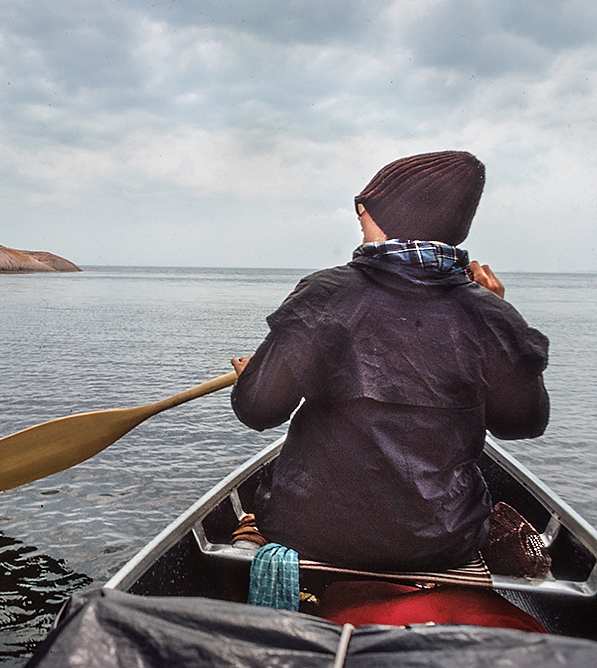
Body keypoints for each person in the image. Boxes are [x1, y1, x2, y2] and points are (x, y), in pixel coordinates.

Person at [230, 151, 549, 572]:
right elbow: (522, 424)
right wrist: (494, 315)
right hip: (443, 540)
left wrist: (257, 376)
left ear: (392, 216)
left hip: (311, 530)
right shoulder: (489, 313)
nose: (359, 224)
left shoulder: (325, 293)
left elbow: (257, 411)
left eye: (363, 212)